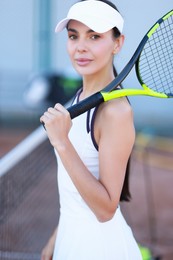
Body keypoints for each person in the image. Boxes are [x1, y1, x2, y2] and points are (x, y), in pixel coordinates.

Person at [40, 0, 142, 259]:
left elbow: (106, 209)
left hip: (99, 248)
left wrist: (62, 143)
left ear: (117, 44)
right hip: (71, 239)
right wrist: (56, 237)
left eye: (94, 36)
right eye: (73, 36)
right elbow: (72, 188)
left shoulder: (116, 113)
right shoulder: (79, 96)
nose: (80, 47)